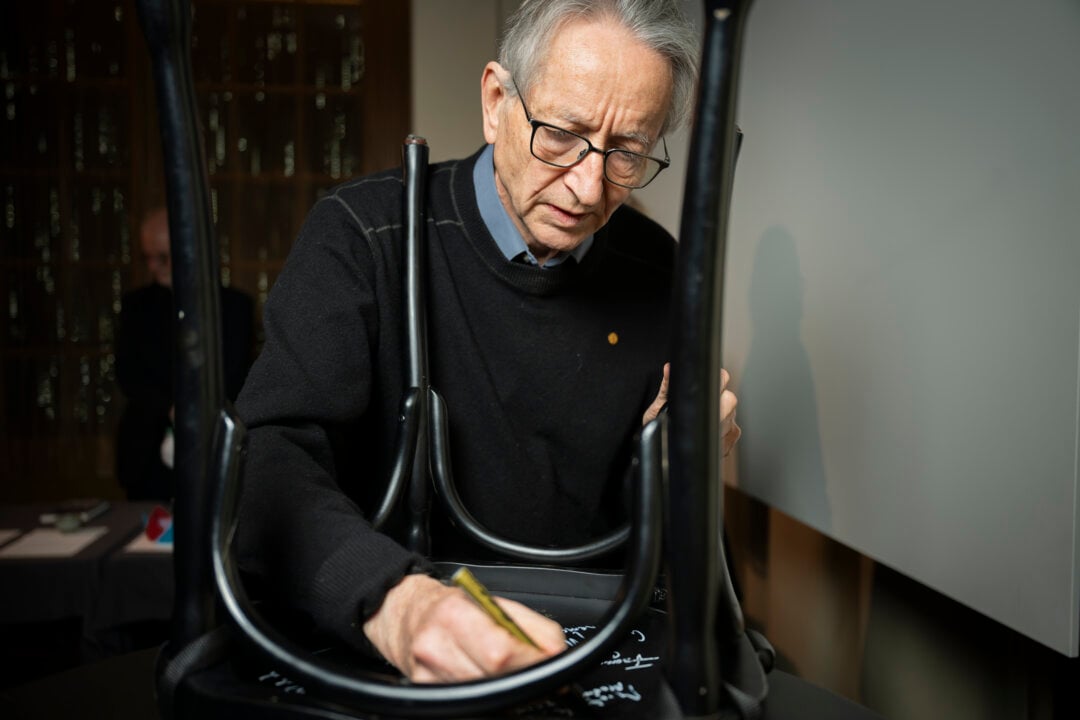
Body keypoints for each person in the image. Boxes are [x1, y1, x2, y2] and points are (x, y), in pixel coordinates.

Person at [235, 0, 741, 684]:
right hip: (388, 639)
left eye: (627, 152)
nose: (589, 187)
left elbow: (646, 537)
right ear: (497, 100)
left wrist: (677, 468)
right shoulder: (362, 237)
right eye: (562, 134)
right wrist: (396, 601)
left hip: (588, 639)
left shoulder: (660, 270)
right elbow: (267, 469)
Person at [116, 207, 255, 502]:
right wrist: (169, 406)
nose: (154, 266)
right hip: (148, 453)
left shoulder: (233, 307)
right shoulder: (136, 307)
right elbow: (128, 375)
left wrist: (197, 408)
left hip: (214, 445)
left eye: (163, 257)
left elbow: (236, 373)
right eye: (147, 257)